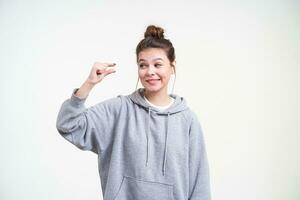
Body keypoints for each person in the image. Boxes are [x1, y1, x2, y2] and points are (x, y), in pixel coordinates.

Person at [56, 25, 211, 200]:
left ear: (172, 66)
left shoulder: (187, 120)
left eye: (157, 64)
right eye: (143, 65)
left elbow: (200, 184)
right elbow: (68, 125)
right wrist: (89, 84)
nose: (150, 71)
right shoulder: (120, 110)